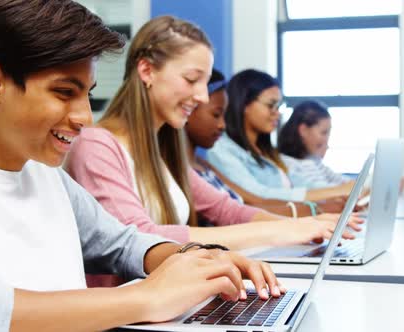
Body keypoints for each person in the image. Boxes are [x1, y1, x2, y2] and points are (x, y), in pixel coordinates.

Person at [0, 2, 284, 331]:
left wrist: (198, 259)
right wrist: (145, 299)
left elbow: (123, 243)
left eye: (86, 94)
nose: (85, 117)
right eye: (64, 92)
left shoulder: (48, 178)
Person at [64, 16, 361, 256]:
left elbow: (226, 210)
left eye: (205, 83)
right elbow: (141, 237)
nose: (203, 96)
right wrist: (281, 231)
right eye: (192, 80)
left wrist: (306, 225)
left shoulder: (162, 149)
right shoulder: (96, 146)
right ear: (146, 70)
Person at [185, 69, 348, 217]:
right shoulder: (220, 152)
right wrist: (315, 208)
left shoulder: (266, 153)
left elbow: (248, 203)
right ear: (245, 105)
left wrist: (331, 198)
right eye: (271, 105)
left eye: (279, 106)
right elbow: (255, 199)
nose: (276, 113)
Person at [278, 100, 354, 188]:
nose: (327, 139)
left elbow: (344, 181)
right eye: (324, 132)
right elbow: (316, 191)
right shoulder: (287, 164)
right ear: (303, 130)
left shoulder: (313, 160)